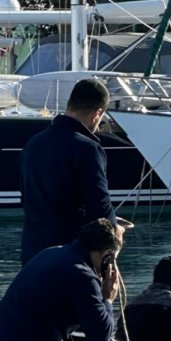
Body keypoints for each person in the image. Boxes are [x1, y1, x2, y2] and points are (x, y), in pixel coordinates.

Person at [19, 77, 118, 265]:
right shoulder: (87, 149)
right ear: (97, 114)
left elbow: (25, 199)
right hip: (70, 259)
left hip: (32, 256)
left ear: (70, 105)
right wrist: (114, 229)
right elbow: (99, 206)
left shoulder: (33, 145)